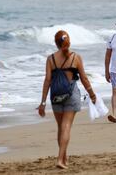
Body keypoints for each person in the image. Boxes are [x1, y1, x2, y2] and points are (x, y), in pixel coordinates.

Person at [38, 30, 96, 169]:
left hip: (55, 96)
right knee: (66, 127)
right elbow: (84, 78)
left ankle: (64, 158)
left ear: (56, 43)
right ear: (68, 42)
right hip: (71, 95)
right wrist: (92, 94)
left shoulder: (50, 59)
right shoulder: (75, 57)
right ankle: (60, 159)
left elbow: (47, 80)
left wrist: (43, 102)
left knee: (61, 127)